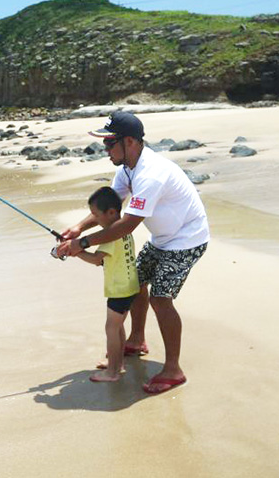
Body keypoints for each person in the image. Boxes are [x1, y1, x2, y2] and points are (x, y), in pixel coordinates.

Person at [55, 111, 209, 394]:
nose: (105, 149)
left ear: (131, 142)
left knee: (161, 300)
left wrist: (83, 244)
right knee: (135, 282)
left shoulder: (151, 174)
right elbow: (110, 208)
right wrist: (78, 228)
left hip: (187, 239)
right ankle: (137, 339)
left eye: (110, 143)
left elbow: (125, 225)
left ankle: (173, 369)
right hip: (163, 237)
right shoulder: (127, 167)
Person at [72, 186, 140, 382]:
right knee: (117, 327)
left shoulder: (110, 236)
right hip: (130, 287)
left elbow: (96, 260)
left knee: (111, 328)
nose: (94, 219)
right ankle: (117, 364)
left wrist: (74, 251)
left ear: (110, 213)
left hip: (119, 290)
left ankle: (112, 373)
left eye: (95, 214)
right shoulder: (124, 230)